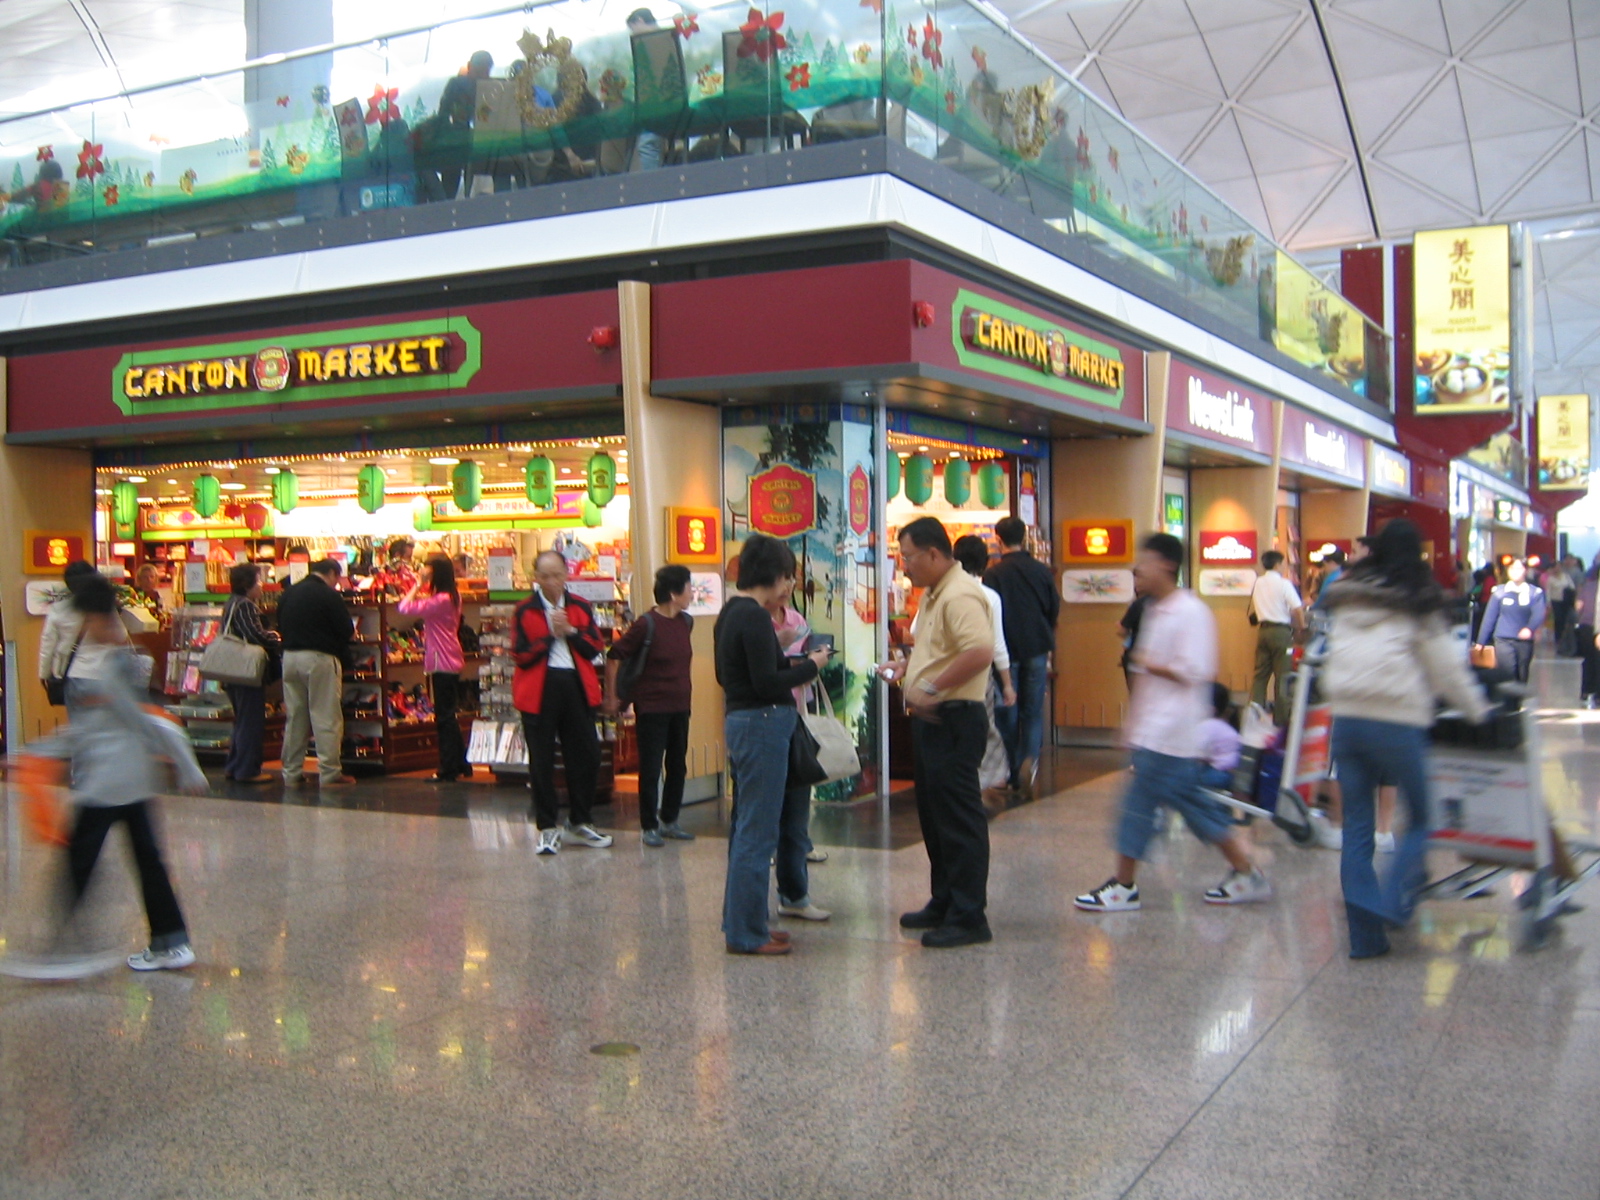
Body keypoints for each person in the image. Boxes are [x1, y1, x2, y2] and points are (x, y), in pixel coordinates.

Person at [13, 573, 208, 975]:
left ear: (98, 618)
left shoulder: (105, 670)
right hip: (133, 782)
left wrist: (189, 768)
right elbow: (120, 724)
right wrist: (33, 752)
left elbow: (141, 723)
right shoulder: (123, 661)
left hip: (105, 784)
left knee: (79, 862)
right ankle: (171, 942)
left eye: (86, 619)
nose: (85, 627)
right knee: (147, 861)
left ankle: (63, 952)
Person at [1320, 519, 1491, 959]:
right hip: (1395, 722)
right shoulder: (1417, 597)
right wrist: (1478, 711)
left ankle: (1366, 939)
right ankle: (1393, 900)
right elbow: (1446, 668)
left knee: (1358, 829)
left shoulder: (1350, 594)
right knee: (1424, 817)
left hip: (1348, 722)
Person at [1075, 533, 1271, 913]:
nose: (1139, 569)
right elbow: (1147, 679)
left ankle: (1124, 886)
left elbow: (1195, 670)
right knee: (1193, 809)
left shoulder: (1190, 612)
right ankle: (1245, 873)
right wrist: (1132, 725)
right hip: (1156, 734)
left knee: (1138, 809)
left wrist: (1148, 662)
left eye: (1145, 561)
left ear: (1166, 565)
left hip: (1174, 733)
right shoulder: (1155, 610)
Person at [715, 535, 831, 955]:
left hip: (744, 721)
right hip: (763, 724)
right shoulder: (754, 616)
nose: (789, 586)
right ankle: (748, 933)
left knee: (747, 826)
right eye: (787, 577)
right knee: (758, 833)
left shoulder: (732, 612)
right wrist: (812, 665)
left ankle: (743, 922)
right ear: (772, 575)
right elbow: (767, 683)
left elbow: (732, 675)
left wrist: (785, 658)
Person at [886, 517, 996, 948]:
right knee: (935, 817)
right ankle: (945, 899)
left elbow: (979, 651)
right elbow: (941, 651)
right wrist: (908, 668)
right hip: (933, 720)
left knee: (958, 819)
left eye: (908, 557)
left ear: (933, 553)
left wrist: (931, 686)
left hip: (955, 719)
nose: (905, 565)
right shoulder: (935, 593)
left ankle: (969, 916)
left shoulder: (960, 593)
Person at [513, 551, 613, 853]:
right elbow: (520, 654)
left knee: (587, 755)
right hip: (538, 691)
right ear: (536, 578)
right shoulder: (524, 610)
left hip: (576, 686)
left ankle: (580, 820)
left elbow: (594, 647)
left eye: (557, 575)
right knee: (542, 761)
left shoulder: (579, 606)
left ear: (566, 574)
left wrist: (570, 631)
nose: (552, 582)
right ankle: (547, 826)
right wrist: (549, 636)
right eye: (545, 576)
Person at [604, 564, 697, 846]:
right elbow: (614, 655)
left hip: (680, 705)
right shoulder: (647, 624)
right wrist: (612, 695)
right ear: (673, 594)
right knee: (652, 767)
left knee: (677, 766)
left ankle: (670, 819)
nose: (692, 593)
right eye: (688, 588)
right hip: (652, 707)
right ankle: (648, 824)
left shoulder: (686, 622)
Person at [983, 515, 1058, 801]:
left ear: (998, 539)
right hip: (1037, 646)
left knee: (1008, 710)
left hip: (1008, 649)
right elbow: (1053, 607)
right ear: (1024, 537)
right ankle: (1030, 764)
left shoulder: (994, 574)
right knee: (1033, 711)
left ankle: (1012, 771)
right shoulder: (1041, 571)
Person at [277, 559, 356, 788]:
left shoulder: (289, 593)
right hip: (320, 658)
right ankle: (330, 772)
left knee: (295, 717)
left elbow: (280, 624)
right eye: (337, 578)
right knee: (326, 715)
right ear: (332, 573)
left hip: (290, 658)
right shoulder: (329, 595)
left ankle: (291, 772)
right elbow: (346, 631)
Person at [952, 535, 1016, 800]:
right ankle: (989, 777)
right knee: (984, 724)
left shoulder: (943, 592)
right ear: (986, 562)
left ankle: (959, 778)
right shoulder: (989, 597)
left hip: (947, 672)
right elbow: (997, 645)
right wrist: (1007, 684)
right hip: (979, 673)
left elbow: (915, 629)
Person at [399, 555, 472, 782]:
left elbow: (404, 607)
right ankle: (461, 763)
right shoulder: (453, 596)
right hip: (451, 656)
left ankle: (448, 767)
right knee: (449, 714)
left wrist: (417, 584)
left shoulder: (440, 600)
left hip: (442, 659)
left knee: (444, 716)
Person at [221, 564, 281, 784]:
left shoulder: (231, 603)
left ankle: (234, 765)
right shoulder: (245, 605)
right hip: (246, 672)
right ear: (248, 584)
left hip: (231, 670)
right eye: (258, 581)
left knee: (242, 720)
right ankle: (248, 770)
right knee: (251, 721)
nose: (261, 586)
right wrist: (275, 637)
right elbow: (254, 635)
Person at [1248, 550, 1304, 725]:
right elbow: (1297, 608)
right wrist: (1301, 626)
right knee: (1283, 676)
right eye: (1283, 563)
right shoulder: (1284, 584)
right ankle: (1281, 719)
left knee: (1260, 675)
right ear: (1278, 564)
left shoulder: (1258, 582)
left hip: (1263, 632)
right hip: (1281, 633)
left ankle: (1253, 715)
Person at [1474, 557, 1546, 684]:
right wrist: (1481, 641)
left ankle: (1519, 695)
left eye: (1519, 568)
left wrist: (1530, 628)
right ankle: (1509, 695)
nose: (1515, 572)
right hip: (1503, 638)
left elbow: (1539, 614)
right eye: (1512, 568)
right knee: (1508, 672)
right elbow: (1490, 617)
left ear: (1525, 570)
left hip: (1524, 641)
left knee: (1522, 672)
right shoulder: (1499, 592)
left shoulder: (1534, 593)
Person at [38, 559, 97, 708]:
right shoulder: (104, 608)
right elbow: (121, 636)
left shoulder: (59, 609)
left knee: (76, 713)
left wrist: (44, 673)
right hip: (99, 673)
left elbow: (48, 644)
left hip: (70, 672)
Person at [626, 9, 665, 171]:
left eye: (632, 28)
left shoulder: (649, 44)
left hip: (658, 107)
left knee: (646, 144)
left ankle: (652, 181)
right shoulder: (669, 39)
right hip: (674, 105)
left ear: (640, 21)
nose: (632, 34)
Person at [1197, 682, 1240, 792]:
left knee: (1184, 777)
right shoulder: (1222, 725)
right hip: (1229, 773)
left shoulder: (1208, 725)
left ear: (1210, 709)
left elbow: (1198, 753)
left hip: (1219, 774)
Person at [1117, 587, 1150, 694]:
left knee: (1137, 695)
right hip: (1157, 658)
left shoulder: (1138, 604)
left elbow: (1122, 631)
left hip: (1136, 655)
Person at [1577, 555, 1600, 707]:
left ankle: (1585, 691)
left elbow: (1578, 606)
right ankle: (1597, 693)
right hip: (1596, 627)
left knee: (1588, 660)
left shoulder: (1587, 586)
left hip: (1585, 627)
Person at [1544, 556, 1576, 655]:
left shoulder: (1566, 576)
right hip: (1556, 601)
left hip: (1565, 602)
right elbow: (1548, 592)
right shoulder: (1550, 579)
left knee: (1566, 619)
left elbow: (1572, 587)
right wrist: (1548, 604)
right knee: (1558, 619)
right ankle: (1558, 638)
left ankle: (1565, 638)